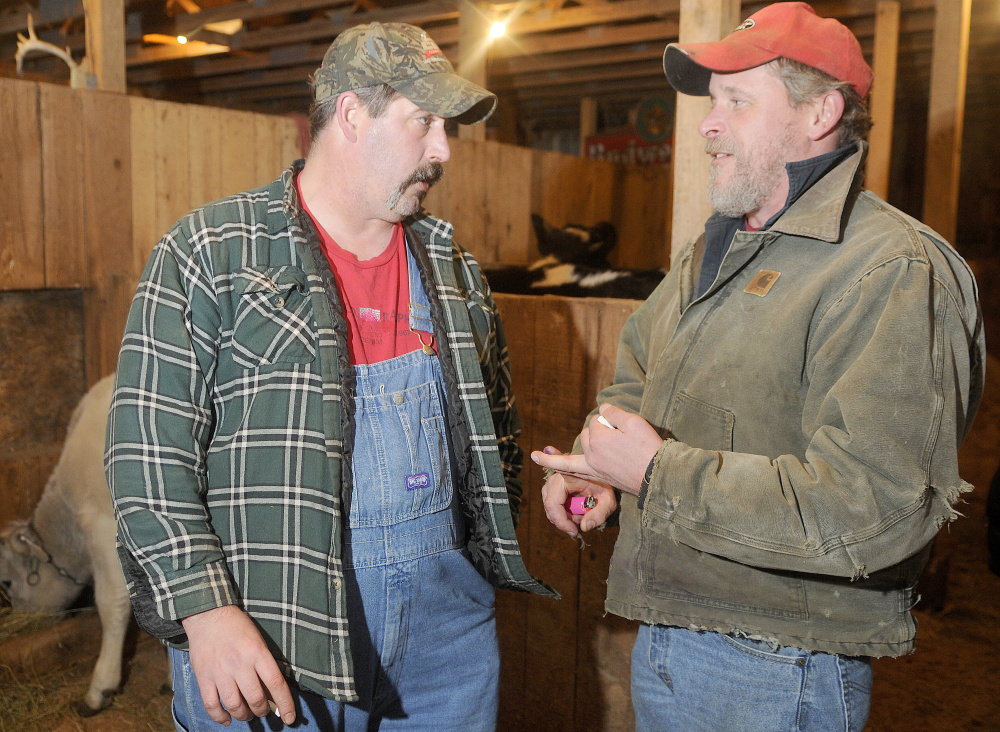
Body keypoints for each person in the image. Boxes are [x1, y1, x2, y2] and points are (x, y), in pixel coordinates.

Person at [532, 4, 984, 731]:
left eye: (737, 101)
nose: (708, 124)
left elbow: (878, 505)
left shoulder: (891, 269)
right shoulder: (719, 249)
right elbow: (638, 378)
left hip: (779, 665)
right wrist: (598, 461)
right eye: (713, 103)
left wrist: (656, 475)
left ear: (820, 113)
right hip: (674, 629)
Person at [106, 22, 555, 732]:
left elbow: (496, 425)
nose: (443, 151)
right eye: (424, 124)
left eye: (447, 130)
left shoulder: (453, 266)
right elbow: (145, 454)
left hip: (447, 646)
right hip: (271, 634)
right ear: (351, 114)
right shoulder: (212, 252)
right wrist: (205, 609)